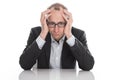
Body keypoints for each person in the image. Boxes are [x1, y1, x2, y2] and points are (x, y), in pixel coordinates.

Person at [19, 3, 95, 70]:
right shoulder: (36, 33)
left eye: (61, 23)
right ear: (46, 22)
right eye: (52, 23)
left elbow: (88, 66)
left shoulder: (78, 35)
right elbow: (25, 65)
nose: (56, 30)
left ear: (67, 22)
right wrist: (43, 34)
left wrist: (69, 35)